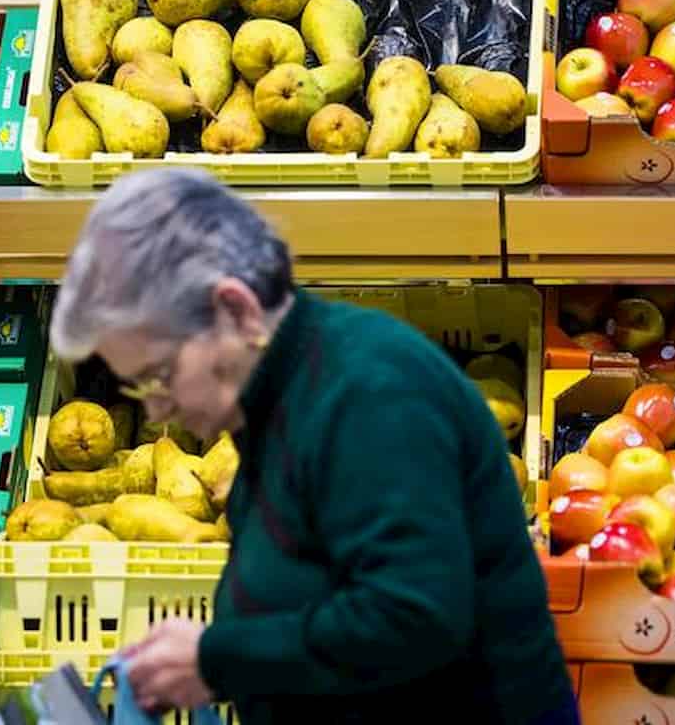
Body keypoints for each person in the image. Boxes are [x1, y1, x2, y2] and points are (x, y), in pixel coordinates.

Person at [49, 168, 576, 725]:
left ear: (236, 311)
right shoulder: (275, 403)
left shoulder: (370, 393)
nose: (156, 411)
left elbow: (414, 613)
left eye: (159, 376)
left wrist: (218, 659)